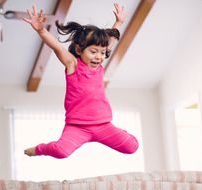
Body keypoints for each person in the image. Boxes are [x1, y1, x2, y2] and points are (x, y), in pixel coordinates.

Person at [23, 3, 139, 159]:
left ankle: (119, 133)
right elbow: (58, 48)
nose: (98, 56)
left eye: (102, 53)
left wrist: (119, 22)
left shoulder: (98, 65)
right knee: (61, 152)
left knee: (132, 146)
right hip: (77, 127)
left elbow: (108, 41)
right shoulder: (73, 64)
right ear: (79, 50)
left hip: (103, 125)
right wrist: (41, 30)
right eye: (93, 52)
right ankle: (38, 149)